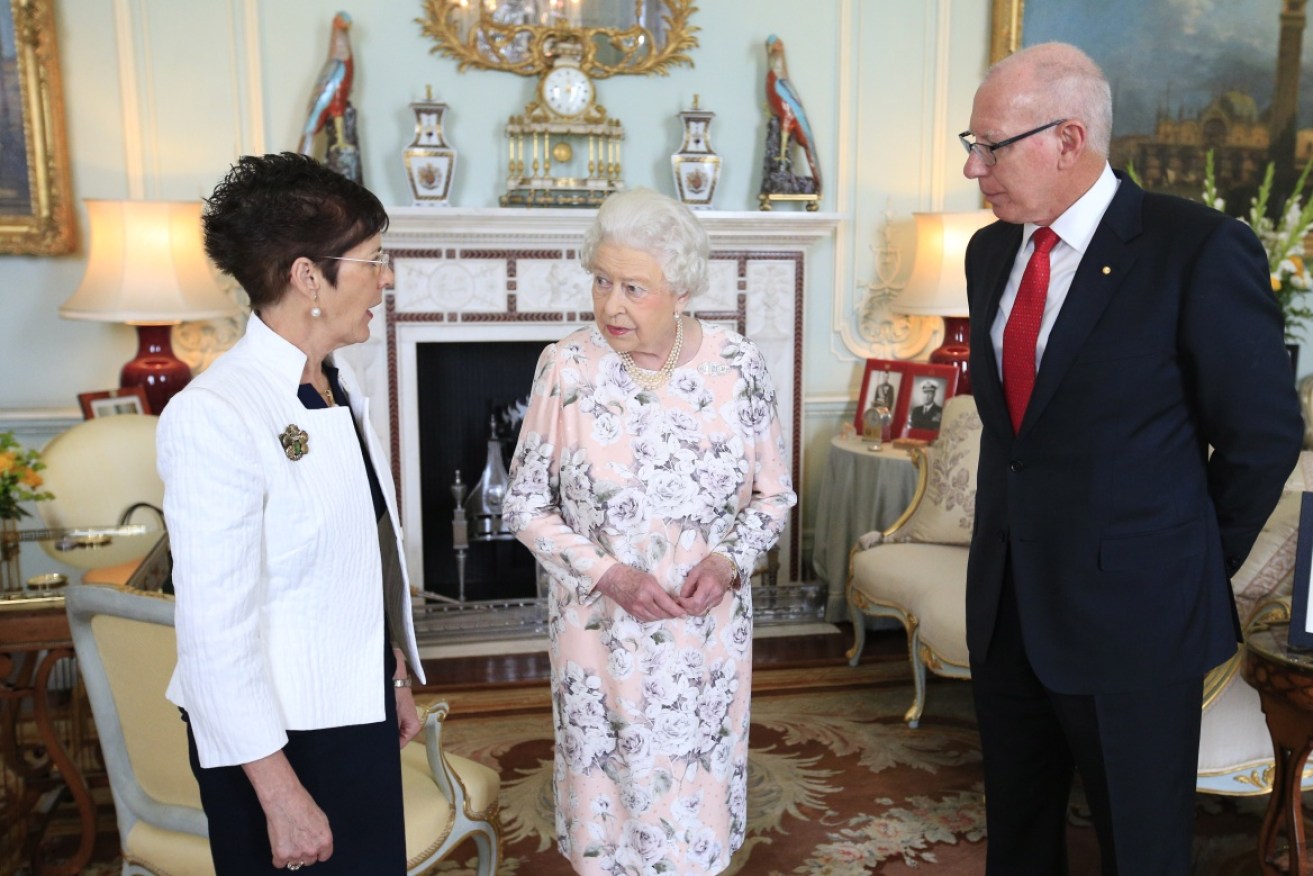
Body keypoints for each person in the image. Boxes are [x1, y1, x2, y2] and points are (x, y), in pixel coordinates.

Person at [960, 43, 1304, 873]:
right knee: (1017, 835)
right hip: (1007, 607)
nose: (974, 169)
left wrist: (1184, 561)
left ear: (1068, 139)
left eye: (990, 146)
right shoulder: (990, 254)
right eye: (968, 145)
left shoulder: (1196, 249)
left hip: (1134, 620)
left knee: (1140, 850)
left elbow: (1262, 436)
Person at [503, 187, 797, 875]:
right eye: (601, 281)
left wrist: (728, 563)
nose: (610, 305)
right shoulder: (565, 366)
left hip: (705, 630)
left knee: (695, 804)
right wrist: (610, 574)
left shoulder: (736, 365)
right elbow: (522, 504)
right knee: (605, 804)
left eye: (633, 287)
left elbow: (773, 495)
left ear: (682, 289)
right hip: (599, 628)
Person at [156, 152, 425, 875]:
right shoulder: (215, 413)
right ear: (308, 275)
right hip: (276, 741)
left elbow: (343, 557)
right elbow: (213, 632)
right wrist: (280, 794)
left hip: (350, 711)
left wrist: (387, 674)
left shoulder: (339, 382)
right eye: (374, 260)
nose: (386, 277)